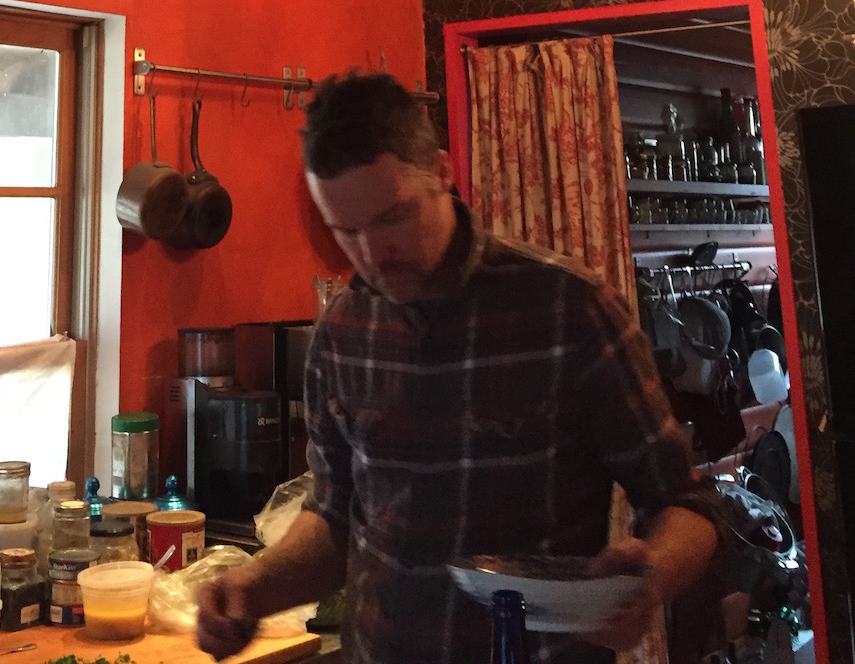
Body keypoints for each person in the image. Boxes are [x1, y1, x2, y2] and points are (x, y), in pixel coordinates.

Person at [197, 72, 720, 664]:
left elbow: (687, 502)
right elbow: (334, 519)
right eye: (346, 232)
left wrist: (649, 579)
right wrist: (251, 588)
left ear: (443, 173)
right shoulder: (342, 336)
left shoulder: (568, 309)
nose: (372, 254)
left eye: (392, 217)